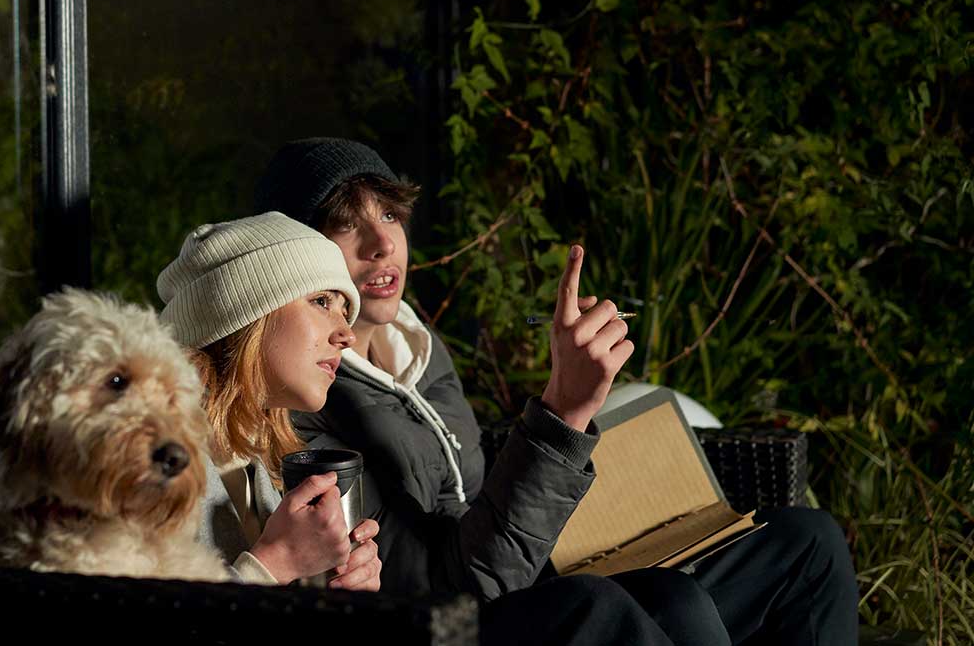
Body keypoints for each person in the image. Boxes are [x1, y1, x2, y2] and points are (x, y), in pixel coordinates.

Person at [254, 138, 860, 644]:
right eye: (344, 225)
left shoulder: (414, 346)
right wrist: (562, 414)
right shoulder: (303, 399)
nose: (382, 244)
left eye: (388, 215)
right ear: (293, 259)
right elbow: (455, 595)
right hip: (474, 616)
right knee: (665, 604)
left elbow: (478, 498)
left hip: (535, 564)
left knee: (807, 544)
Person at [156, 212, 382, 589]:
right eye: (322, 300)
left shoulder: (253, 456)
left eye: (345, 311)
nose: (347, 334)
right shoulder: (146, 458)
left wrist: (328, 580)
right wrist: (275, 563)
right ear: (246, 314)